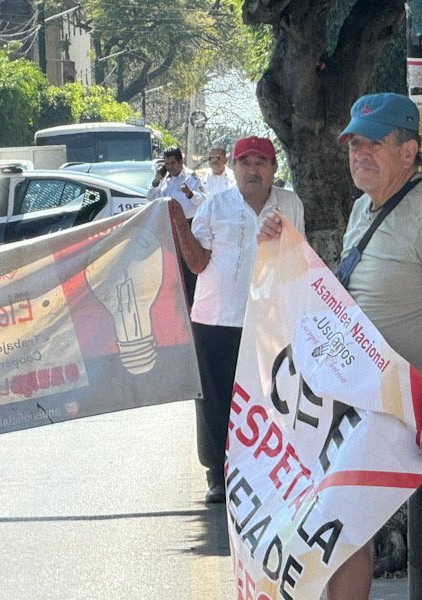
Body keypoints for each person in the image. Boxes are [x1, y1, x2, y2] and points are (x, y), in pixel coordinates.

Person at [260, 92, 422, 600]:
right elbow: (350, 289)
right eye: (353, 143)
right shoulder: (360, 209)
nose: (359, 154)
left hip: (410, 407)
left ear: (409, 152)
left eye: (374, 143)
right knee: (344, 525)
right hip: (364, 408)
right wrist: (282, 248)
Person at [170, 136, 305, 504]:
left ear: (274, 169)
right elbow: (197, 264)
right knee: (215, 398)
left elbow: (298, 261)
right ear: (233, 167)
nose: (252, 170)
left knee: (265, 398)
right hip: (215, 318)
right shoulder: (216, 205)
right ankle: (217, 472)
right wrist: (180, 225)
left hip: (268, 321)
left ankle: (261, 470)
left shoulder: (289, 204)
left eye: (261, 162)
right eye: (245, 162)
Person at [148, 147, 207, 305]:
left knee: (189, 267)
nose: (170, 167)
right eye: (166, 163)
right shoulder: (165, 180)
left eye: (173, 163)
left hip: (188, 226)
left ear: (181, 162)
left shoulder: (191, 178)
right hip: (168, 227)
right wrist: (156, 180)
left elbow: (203, 200)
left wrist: (190, 194)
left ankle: (192, 301)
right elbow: (150, 198)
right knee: (171, 266)